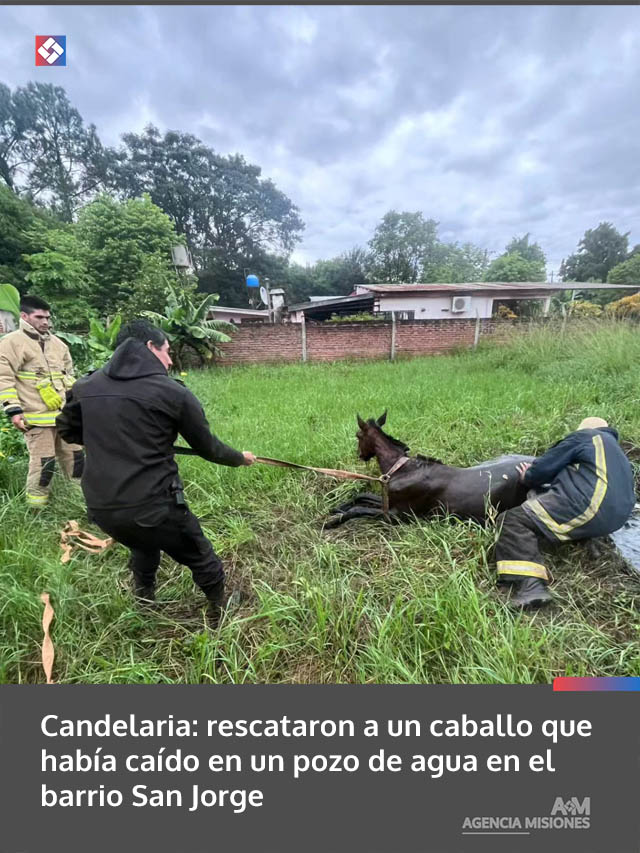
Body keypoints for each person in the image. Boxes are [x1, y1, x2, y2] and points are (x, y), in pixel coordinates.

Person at [56, 319, 256, 626]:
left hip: (101, 508)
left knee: (141, 542)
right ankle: (220, 606)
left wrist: (113, 441)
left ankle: (144, 600)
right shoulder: (172, 393)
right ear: (150, 347)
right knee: (198, 552)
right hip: (153, 504)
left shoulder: (85, 386)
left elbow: (68, 430)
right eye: (167, 351)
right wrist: (240, 458)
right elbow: (209, 448)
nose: (171, 359)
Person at [495, 417, 636, 608]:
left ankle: (530, 586)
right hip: (618, 517)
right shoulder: (616, 451)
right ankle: (587, 539)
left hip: (591, 506)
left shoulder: (586, 437)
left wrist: (527, 475)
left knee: (512, 520)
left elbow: (544, 467)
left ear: (582, 430)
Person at [0, 295, 84, 508]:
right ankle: (36, 511)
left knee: (76, 459)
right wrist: (13, 410)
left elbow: (70, 379)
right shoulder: (11, 343)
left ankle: (80, 503)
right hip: (35, 417)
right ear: (24, 316)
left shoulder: (59, 345)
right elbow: (4, 378)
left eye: (47, 317)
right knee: (43, 465)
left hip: (65, 417)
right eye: (39, 317)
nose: (45, 321)